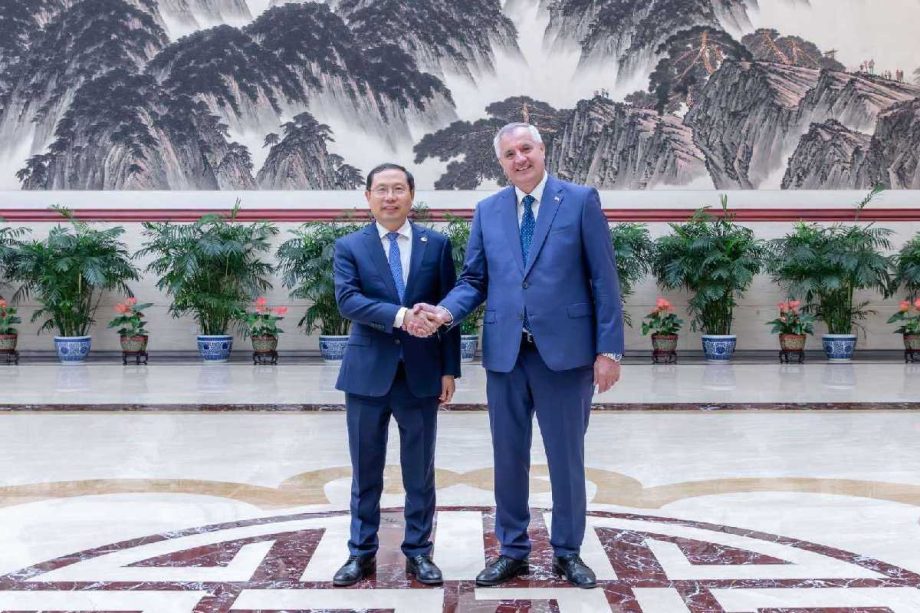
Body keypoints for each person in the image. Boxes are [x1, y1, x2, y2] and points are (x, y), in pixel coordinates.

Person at [409, 123, 624, 589]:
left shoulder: (579, 200)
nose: (519, 158)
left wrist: (608, 350)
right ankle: (512, 550)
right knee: (508, 457)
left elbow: (604, 279)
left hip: (565, 356)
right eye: (509, 153)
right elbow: (475, 280)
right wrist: (445, 312)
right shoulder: (488, 210)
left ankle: (568, 551)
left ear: (542, 151)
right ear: (501, 162)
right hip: (507, 355)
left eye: (526, 148)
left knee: (567, 458)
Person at [331, 163, 460, 587]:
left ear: (411, 195)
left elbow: (450, 310)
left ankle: (419, 552)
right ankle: (360, 553)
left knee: (419, 471)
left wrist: (449, 369)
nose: (390, 197)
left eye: (398, 189)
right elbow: (348, 301)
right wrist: (402, 316)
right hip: (367, 375)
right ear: (367, 197)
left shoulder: (436, 245)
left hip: (421, 374)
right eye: (382, 190)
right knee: (365, 469)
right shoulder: (350, 246)